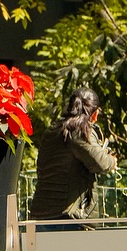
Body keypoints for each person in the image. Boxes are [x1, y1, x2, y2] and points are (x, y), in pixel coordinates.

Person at [27, 86, 116, 220]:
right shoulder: (80, 132)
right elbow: (101, 163)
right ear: (95, 114)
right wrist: (112, 161)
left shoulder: (52, 130)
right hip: (66, 216)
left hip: (41, 213)